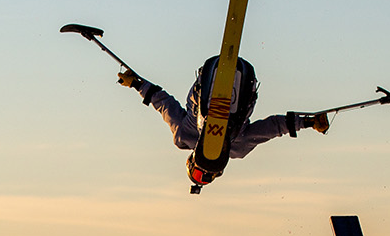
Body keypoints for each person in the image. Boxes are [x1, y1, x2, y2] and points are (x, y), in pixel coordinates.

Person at [118, 56, 328, 162]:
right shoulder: (238, 148)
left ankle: (208, 87)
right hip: (244, 86)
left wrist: (136, 84)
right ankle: (230, 92)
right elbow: (272, 128)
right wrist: (309, 122)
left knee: (196, 112)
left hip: (206, 88)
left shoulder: (183, 137)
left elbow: (164, 104)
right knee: (238, 129)